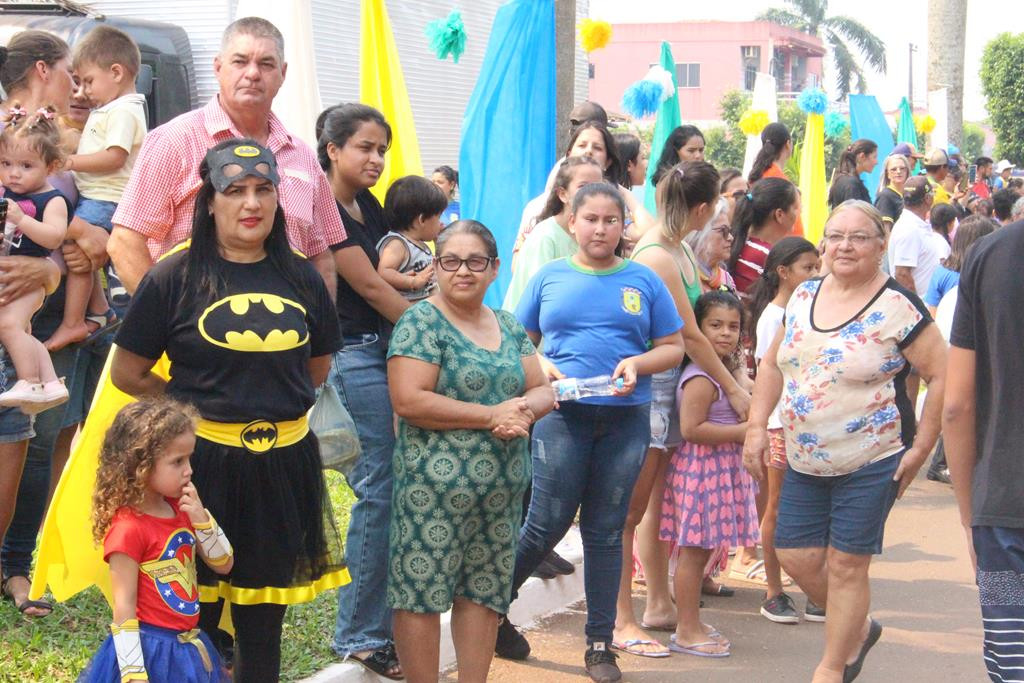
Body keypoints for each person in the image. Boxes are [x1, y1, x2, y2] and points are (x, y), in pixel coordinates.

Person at [110, 139, 346, 682]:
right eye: (234, 190)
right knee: (188, 619)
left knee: (263, 624)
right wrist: (188, 420)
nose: (251, 203)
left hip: (283, 468)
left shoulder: (303, 277)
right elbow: (129, 372)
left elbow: (316, 368)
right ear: (208, 201)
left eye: (264, 189)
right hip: (200, 472)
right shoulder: (173, 278)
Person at [743, 200, 946, 682]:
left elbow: (941, 374)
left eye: (858, 237)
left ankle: (831, 668)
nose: (844, 246)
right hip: (804, 455)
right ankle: (857, 624)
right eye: (835, 236)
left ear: (880, 245)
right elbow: (771, 365)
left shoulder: (899, 305)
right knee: (794, 554)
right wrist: (755, 425)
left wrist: (922, 447)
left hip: (874, 456)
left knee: (847, 563)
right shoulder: (803, 295)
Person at [502, 182, 685, 683]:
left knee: (606, 530)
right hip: (562, 417)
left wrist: (638, 362)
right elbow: (519, 343)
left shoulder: (644, 280)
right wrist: (541, 364)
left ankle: (600, 645)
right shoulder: (549, 277)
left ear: (623, 226)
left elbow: (672, 345)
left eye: (611, 220)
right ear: (573, 222)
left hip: (626, 419)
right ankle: (493, 608)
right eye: (591, 219)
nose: (601, 228)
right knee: (546, 523)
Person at [386, 220, 554, 683]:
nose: (464, 271)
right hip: (432, 494)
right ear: (435, 266)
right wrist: (490, 415)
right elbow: (409, 399)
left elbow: (540, 389)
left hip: (500, 493)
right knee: (420, 594)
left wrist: (522, 409)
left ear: (495, 268)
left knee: (483, 594)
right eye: (451, 261)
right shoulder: (420, 321)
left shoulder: (507, 324)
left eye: (475, 261)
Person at [107, 17, 343, 296]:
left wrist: (318, 330)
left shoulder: (302, 155)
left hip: (285, 332)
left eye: (266, 64)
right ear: (218, 67)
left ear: (283, 73)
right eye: (240, 62)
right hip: (195, 329)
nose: (253, 74)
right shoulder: (174, 141)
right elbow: (124, 242)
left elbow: (321, 255)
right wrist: (166, 326)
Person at [615, 162, 745, 658]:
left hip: (670, 388)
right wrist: (731, 386)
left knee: (650, 507)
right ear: (704, 207)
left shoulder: (678, 252)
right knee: (629, 511)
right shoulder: (660, 255)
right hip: (655, 388)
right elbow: (690, 333)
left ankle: (658, 604)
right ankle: (623, 617)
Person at [0, 28, 93, 620]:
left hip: (31, 320)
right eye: (69, 74)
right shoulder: (15, 136)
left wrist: (50, 272)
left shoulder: (53, 150)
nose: (76, 87)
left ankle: (13, 564)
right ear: (43, 69)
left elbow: (69, 243)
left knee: (25, 448)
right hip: (25, 319)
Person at [320, 102, 410, 680]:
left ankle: (374, 624)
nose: (376, 159)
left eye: (381, 149)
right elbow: (374, 289)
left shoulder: (367, 204)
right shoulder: (325, 207)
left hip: (378, 350)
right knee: (381, 485)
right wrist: (440, 339)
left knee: (391, 483)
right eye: (364, 148)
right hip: (350, 353)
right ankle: (359, 635)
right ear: (332, 148)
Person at [79, 398, 231, 683]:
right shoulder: (128, 528)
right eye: (177, 462)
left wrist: (202, 518)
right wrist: (134, 673)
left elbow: (224, 563)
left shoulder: (183, 509)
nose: (189, 470)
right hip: (151, 652)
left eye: (189, 458)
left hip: (188, 648)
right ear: (141, 465)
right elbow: (123, 608)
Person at [943, 207, 1024, 683]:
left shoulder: (988, 254)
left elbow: (956, 405)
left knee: (1013, 658)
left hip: (1002, 508)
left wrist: (970, 514)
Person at [661, 291, 759, 657]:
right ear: (698, 330)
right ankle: (686, 629)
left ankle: (692, 622)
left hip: (716, 472)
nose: (725, 333)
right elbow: (691, 429)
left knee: (700, 554)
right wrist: (740, 432)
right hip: (702, 472)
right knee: (693, 553)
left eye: (733, 327)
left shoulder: (722, 371)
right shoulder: (701, 377)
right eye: (715, 325)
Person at [45, 26, 146, 351]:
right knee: (80, 254)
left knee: (77, 257)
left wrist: (71, 162)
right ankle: (100, 311)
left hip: (106, 199)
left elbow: (114, 157)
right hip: (100, 197)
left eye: (88, 81)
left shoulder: (123, 111)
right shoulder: (115, 109)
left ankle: (74, 322)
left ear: (116, 72)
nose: (82, 92)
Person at [746, 237, 821, 624]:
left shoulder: (810, 308)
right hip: (781, 425)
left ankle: (813, 587)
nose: (815, 273)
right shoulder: (774, 318)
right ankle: (774, 590)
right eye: (807, 267)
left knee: (810, 507)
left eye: (815, 266)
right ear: (783, 272)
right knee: (777, 504)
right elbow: (768, 374)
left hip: (810, 423)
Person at [0, 108, 70, 410]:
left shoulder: (51, 199)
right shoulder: (8, 195)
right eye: (6, 164)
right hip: (17, 274)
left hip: (29, 279)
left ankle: (29, 381)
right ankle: (51, 382)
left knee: (8, 326)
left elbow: (54, 238)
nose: (14, 173)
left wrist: (22, 219)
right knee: (21, 330)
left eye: (26, 166)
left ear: (51, 166)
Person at [502, 157, 603, 310]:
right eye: (583, 186)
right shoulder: (545, 237)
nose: (592, 194)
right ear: (563, 194)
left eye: (598, 188)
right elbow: (541, 298)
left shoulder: (593, 236)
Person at [513, 121, 625, 256]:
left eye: (597, 148)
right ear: (569, 154)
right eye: (582, 145)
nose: (588, 151)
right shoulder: (542, 225)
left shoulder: (614, 207)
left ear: (608, 161)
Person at [376, 175, 446, 302]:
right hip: (409, 310)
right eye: (438, 217)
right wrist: (412, 281)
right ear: (422, 219)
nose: (441, 223)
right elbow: (384, 271)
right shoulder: (398, 244)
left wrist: (438, 241)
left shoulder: (419, 243)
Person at [727, 177, 801, 295]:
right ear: (779, 215)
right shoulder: (768, 257)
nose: (799, 214)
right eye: (796, 208)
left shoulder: (738, 243)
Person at [888, 176, 947, 296]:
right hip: (919, 307)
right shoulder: (909, 229)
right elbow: (902, 274)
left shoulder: (916, 225)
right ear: (927, 199)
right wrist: (919, 309)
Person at [688, 199, 737, 294]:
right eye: (724, 231)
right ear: (700, 233)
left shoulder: (726, 278)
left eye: (729, 231)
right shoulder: (687, 274)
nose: (731, 238)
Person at [827, 139, 878, 210]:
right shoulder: (851, 184)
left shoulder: (845, 180)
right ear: (862, 156)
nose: (876, 162)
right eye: (874, 157)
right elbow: (854, 215)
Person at [875, 154, 910, 229]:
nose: (898, 171)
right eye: (893, 169)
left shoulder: (910, 194)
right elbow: (885, 229)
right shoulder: (885, 196)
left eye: (902, 168)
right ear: (887, 174)